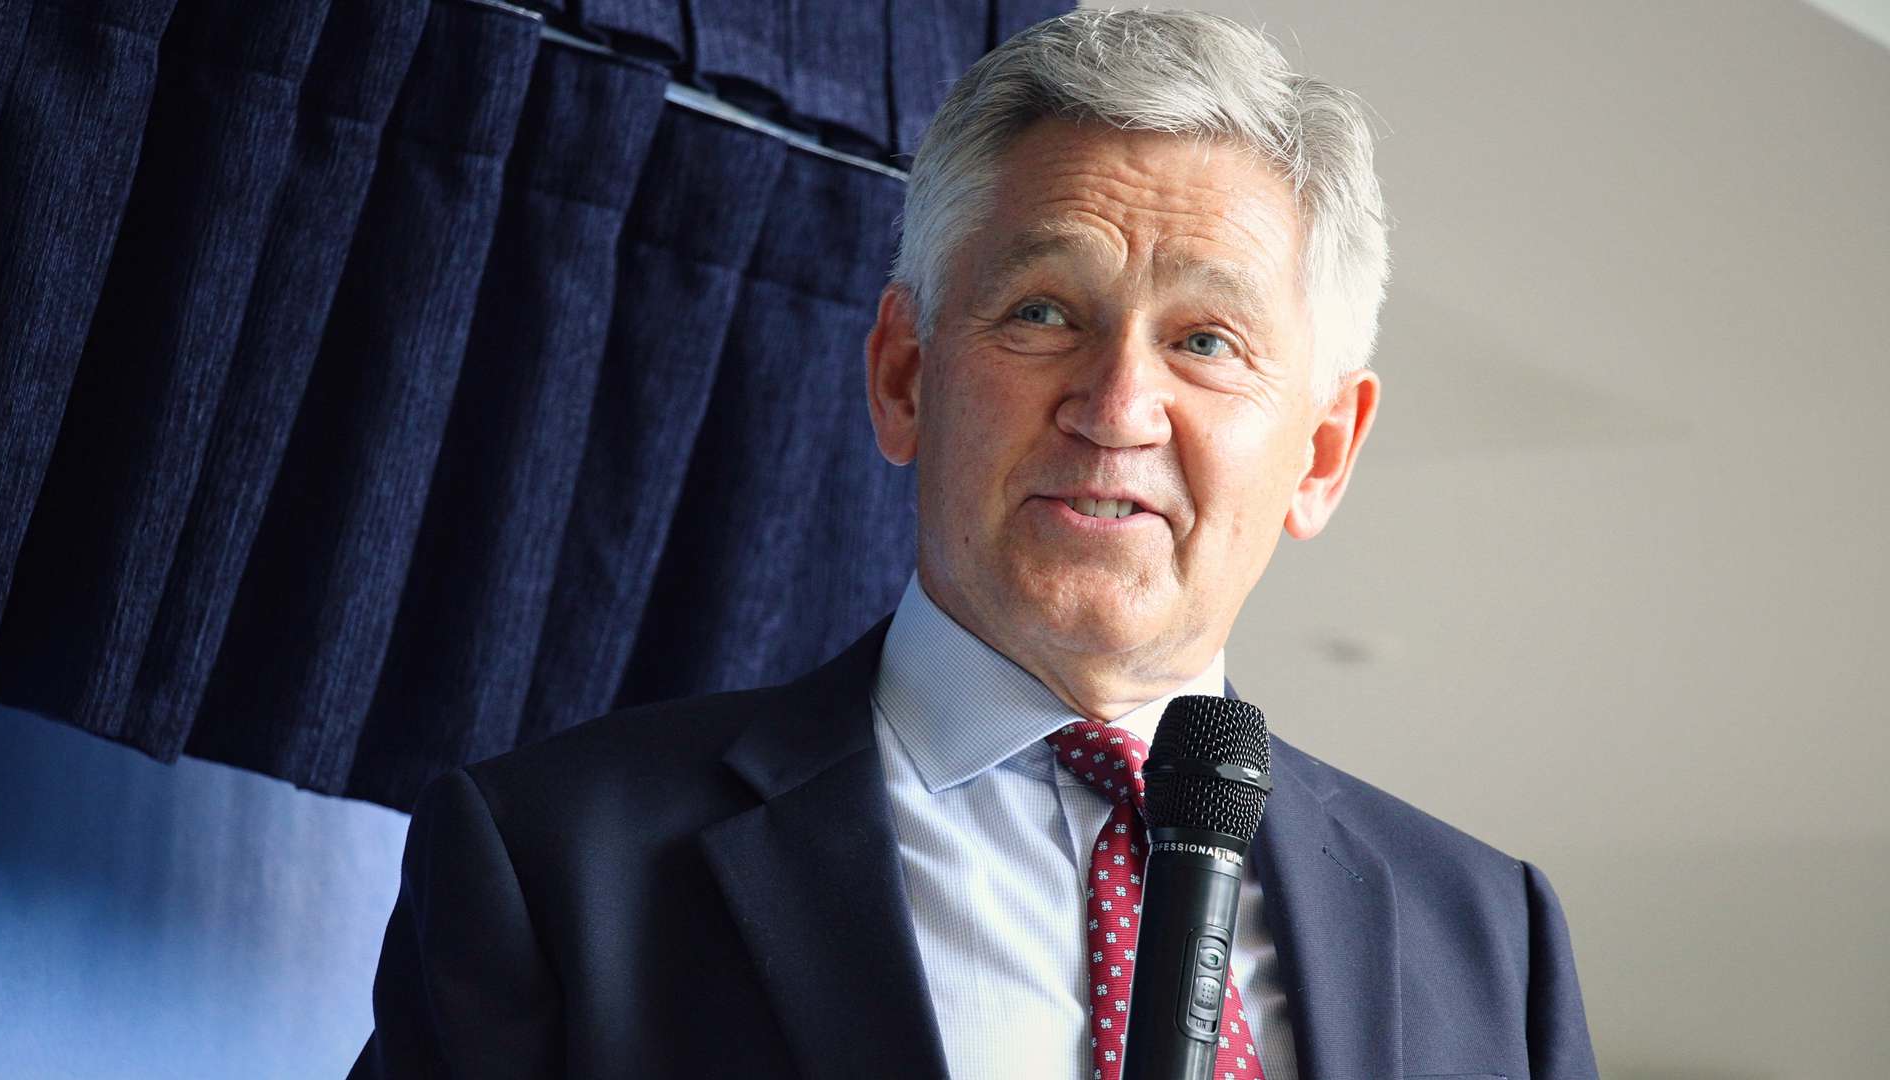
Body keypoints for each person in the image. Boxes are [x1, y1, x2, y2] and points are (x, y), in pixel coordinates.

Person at [350, 9, 1599, 1079]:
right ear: (903, 376)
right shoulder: (561, 862)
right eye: (1044, 312)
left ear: (1324, 453)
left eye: (1206, 341)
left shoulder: (1490, 940)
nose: (1116, 407)